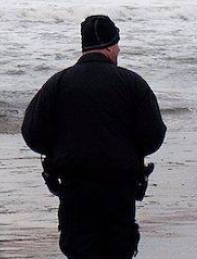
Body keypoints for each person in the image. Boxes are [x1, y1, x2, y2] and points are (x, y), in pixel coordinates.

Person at [22, 15, 166, 259]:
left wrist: (58, 150)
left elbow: (32, 133)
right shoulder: (132, 83)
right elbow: (153, 136)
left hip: (74, 188)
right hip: (119, 189)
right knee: (118, 251)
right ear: (111, 46)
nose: (119, 50)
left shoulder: (57, 83)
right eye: (117, 44)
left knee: (80, 251)